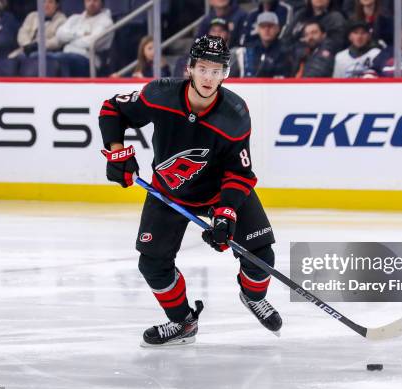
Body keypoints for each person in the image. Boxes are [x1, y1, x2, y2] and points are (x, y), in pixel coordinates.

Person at [99, 35, 282, 347]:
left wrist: (226, 214)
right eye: (203, 69)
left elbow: (239, 173)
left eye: (217, 71)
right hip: (168, 192)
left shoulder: (235, 114)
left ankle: (253, 297)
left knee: (261, 253)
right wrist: (118, 153)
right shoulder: (160, 94)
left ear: (226, 73)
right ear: (190, 69)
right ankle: (183, 321)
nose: (209, 78)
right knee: (152, 263)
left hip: (218, 192)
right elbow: (112, 109)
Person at [53, 0, 113, 77]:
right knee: (38, 57)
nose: (91, 3)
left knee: (60, 60)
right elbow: (59, 35)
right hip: (66, 55)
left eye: (95, 1)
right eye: (88, 0)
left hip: (88, 60)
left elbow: (91, 42)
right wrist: (81, 35)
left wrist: (69, 41)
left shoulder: (106, 22)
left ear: (102, 3)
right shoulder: (74, 18)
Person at [232, 11, 292, 77]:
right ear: (258, 29)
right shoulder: (249, 50)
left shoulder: (286, 51)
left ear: (277, 29)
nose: (266, 30)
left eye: (270, 26)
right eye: (263, 26)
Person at [282, 0, 347, 51]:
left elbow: (335, 44)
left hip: (319, 60)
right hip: (292, 57)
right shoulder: (300, 14)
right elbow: (285, 38)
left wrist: (307, 42)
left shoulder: (336, 18)